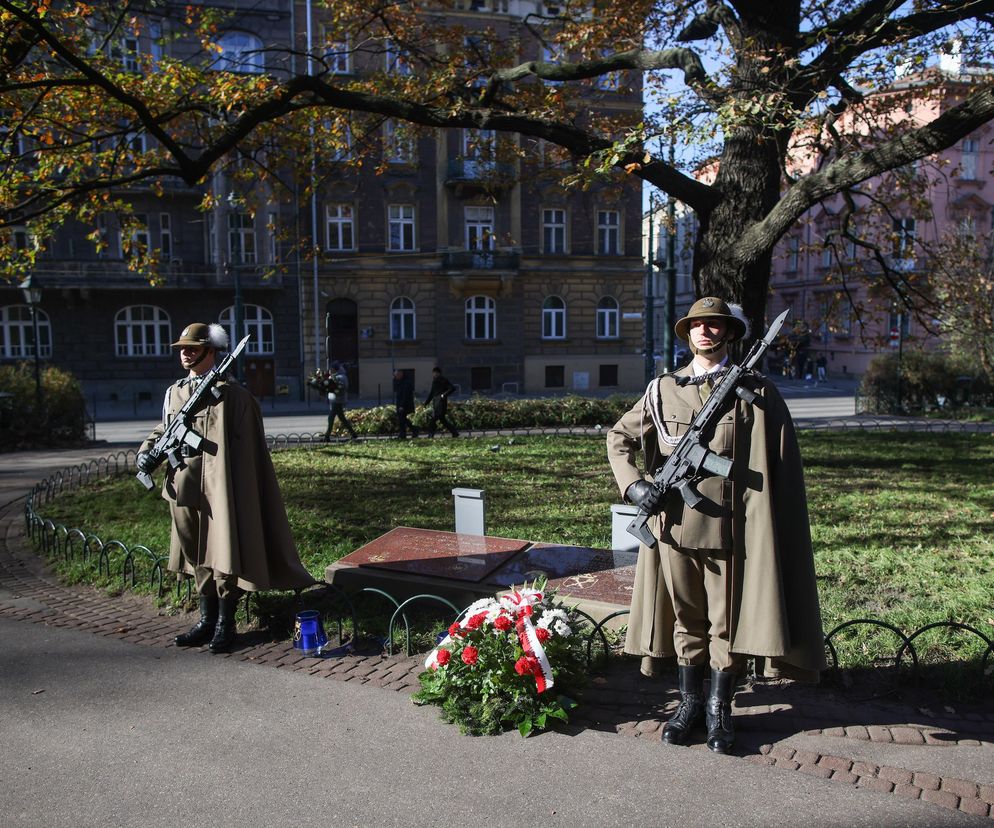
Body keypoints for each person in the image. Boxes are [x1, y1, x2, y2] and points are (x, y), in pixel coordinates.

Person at [607, 297, 825, 754]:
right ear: (687, 333)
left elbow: (777, 464)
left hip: (731, 529)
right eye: (698, 325)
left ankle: (718, 709)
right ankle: (688, 704)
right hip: (674, 525)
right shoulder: (663, 389)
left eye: (715, 325)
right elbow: (619, 437)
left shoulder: (754, 390)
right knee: (687, 618)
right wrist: (634, 487)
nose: (706, 332)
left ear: (728, 333)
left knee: (726, 624)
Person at [136, 323, 316, 653]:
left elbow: (249, 452)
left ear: (211, 352)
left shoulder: (233, 396)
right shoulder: (175, 391)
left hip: (220, 489)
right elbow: (165, 426)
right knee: (195, 551)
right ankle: (206, 620)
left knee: (223, 551)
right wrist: (146, 453)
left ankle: (225, 622)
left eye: (192, 348)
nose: (185, 353)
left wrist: (238, 490)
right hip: (183, 484)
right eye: (182, 348)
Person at [324, 362, 358, 441]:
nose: (329, 370)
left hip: (338, 401)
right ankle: (353, 434)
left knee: (331, 418)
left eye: (331, 369)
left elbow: (343, 389)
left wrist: (334, 389)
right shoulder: (333, 377)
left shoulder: (341, 377)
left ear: (335, 369)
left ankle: (327, 436)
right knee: (342, 419)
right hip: (334, 400)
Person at [423, 367, 459, 438]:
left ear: (439, 373)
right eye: (433, 373)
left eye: (435, 373)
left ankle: (431, 434)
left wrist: (444, 395)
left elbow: (452, 388)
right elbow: (432, 393)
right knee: (443, 420)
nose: (434, 374)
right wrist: (426, 403)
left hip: (441, 403)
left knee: (433, 419)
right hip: (436, 403)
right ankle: (454, 432)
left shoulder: (443, 380)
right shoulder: (434, 381)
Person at [392, 368, 419, 439]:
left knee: (402, 420)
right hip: (400, 404)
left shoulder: (406, 383)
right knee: (402, 420)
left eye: (397, 375)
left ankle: (408, 432)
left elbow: (405, 396)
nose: (395, 377)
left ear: (401, 374)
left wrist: (402, 406)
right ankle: (409, 432)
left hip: (404, 405)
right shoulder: (399, 382)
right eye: (395, 375)